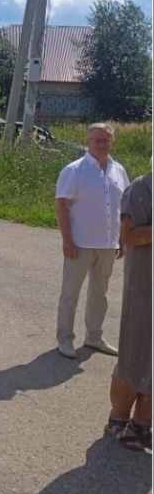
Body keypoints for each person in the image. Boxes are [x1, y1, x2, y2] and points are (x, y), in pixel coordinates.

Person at [55, 123, 129, 360]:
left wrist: (123, 239)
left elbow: (123, 207)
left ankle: (94, 336)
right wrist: (67, 241)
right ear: (87, 142)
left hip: (108, 244)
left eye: (106, 140)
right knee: (70, 294)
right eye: (97, 140)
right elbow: (62, 206)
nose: (102, 144)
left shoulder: (119, 171)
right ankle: (65, 338)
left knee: (100, 294)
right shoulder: (74, 170)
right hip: (80, 244)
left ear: (112, 142)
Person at [105, 170, 152, 451]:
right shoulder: (142, 188)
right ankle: (118, 420)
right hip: (146, 287)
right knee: (136, 355)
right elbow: (130, 236)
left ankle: (143, 423)